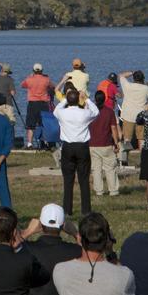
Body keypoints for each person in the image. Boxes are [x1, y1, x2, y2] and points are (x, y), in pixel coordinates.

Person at [55, 89, 98, 217]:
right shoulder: (84, 113)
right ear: (78, 99)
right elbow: (96, 111)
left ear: (68, 100)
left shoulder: (62, 113)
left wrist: (65, 98)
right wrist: (86, 99)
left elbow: (56, 108)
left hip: (67, 147)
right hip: (82, 146)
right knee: (84, 179)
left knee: (68, 180)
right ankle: (86, 210)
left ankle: (67, 210)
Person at [89, 90, 121, 199]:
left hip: (92, 144)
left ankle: (99, 191)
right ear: (105, 99)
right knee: (110, 168)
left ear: (95, 99)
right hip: (106, 144)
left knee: (96, 169)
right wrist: (116, 143)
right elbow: (113, 128)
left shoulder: (90, 111)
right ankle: (113, 190)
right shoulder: (109, 111)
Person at [21, 64, 55, 148]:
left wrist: (30, 76)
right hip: (43, 104)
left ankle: (29, 143)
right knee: (43, 124)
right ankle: (45, 142)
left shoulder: (29, 79)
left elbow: (22, 85)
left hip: (32, 104)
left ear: (33, 70)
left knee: (30, 124)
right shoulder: (46, 79)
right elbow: (53, 86)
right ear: (42, 70)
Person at [119, 71, 148, 151]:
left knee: (127, 138)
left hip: (128, 115)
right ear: (142, 79)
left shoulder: (127, 86)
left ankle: (126, 157)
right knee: (141, 138)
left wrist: (132, 72)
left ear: (133, 78)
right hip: (141, 116)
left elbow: (121, 75)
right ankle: (142, 155)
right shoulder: (146, 88)